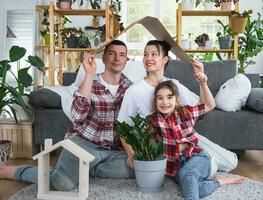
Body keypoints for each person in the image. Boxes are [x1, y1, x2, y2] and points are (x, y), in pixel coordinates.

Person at [0, 40, 135, 191]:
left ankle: (85, 168)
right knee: (61, 183)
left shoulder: (130, 88)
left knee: (138, 169)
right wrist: (89, 74)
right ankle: (18, 171)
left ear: (126, 60)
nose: (117, 58)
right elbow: (77, 116)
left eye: (122, 54)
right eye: (112, 53)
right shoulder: (90, 82)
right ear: (103, 58)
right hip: (85, 143)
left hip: (115, 150)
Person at [117, 40, 238, 175]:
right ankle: (199, 167)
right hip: (159, 145)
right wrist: (131, 154)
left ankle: (202, 163)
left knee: (231, 162)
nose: (148, 58)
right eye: (145, 55)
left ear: (165, 59)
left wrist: (202, 81)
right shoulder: (134, 90)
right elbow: (123, 128)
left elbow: (205, 106)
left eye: (153, 54)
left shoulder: (174, 85)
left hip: (184, 138)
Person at [149, 80, 244, 200]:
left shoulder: (185, 112)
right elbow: (141, 140)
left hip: (197, 157)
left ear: (176, 99)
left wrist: (203, 84)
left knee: (188, 175)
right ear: (155, 101)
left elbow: (210, 105)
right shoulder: (153, 120)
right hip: (176, 166)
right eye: (160, 98)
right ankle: (221, 182)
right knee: (196, 188)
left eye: (169, 97)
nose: (165, 102)